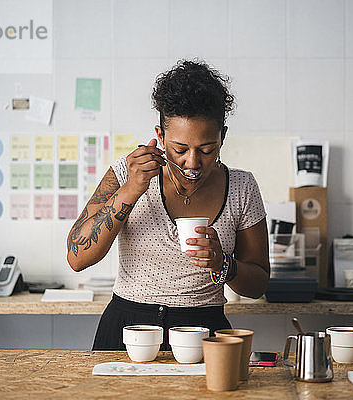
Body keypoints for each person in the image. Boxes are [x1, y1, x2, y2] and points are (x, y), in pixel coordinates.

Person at [67, 60, 269, 350]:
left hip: (203, 333)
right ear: (160, 137)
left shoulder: (241, 187)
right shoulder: (127, 173)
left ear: (222, 136)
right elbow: (77, 257)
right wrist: (132, 189)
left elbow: (258, 284)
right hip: (128, 329)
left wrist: (224, 264)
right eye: (179, 149)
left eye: (206, 149)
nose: (192, 162)